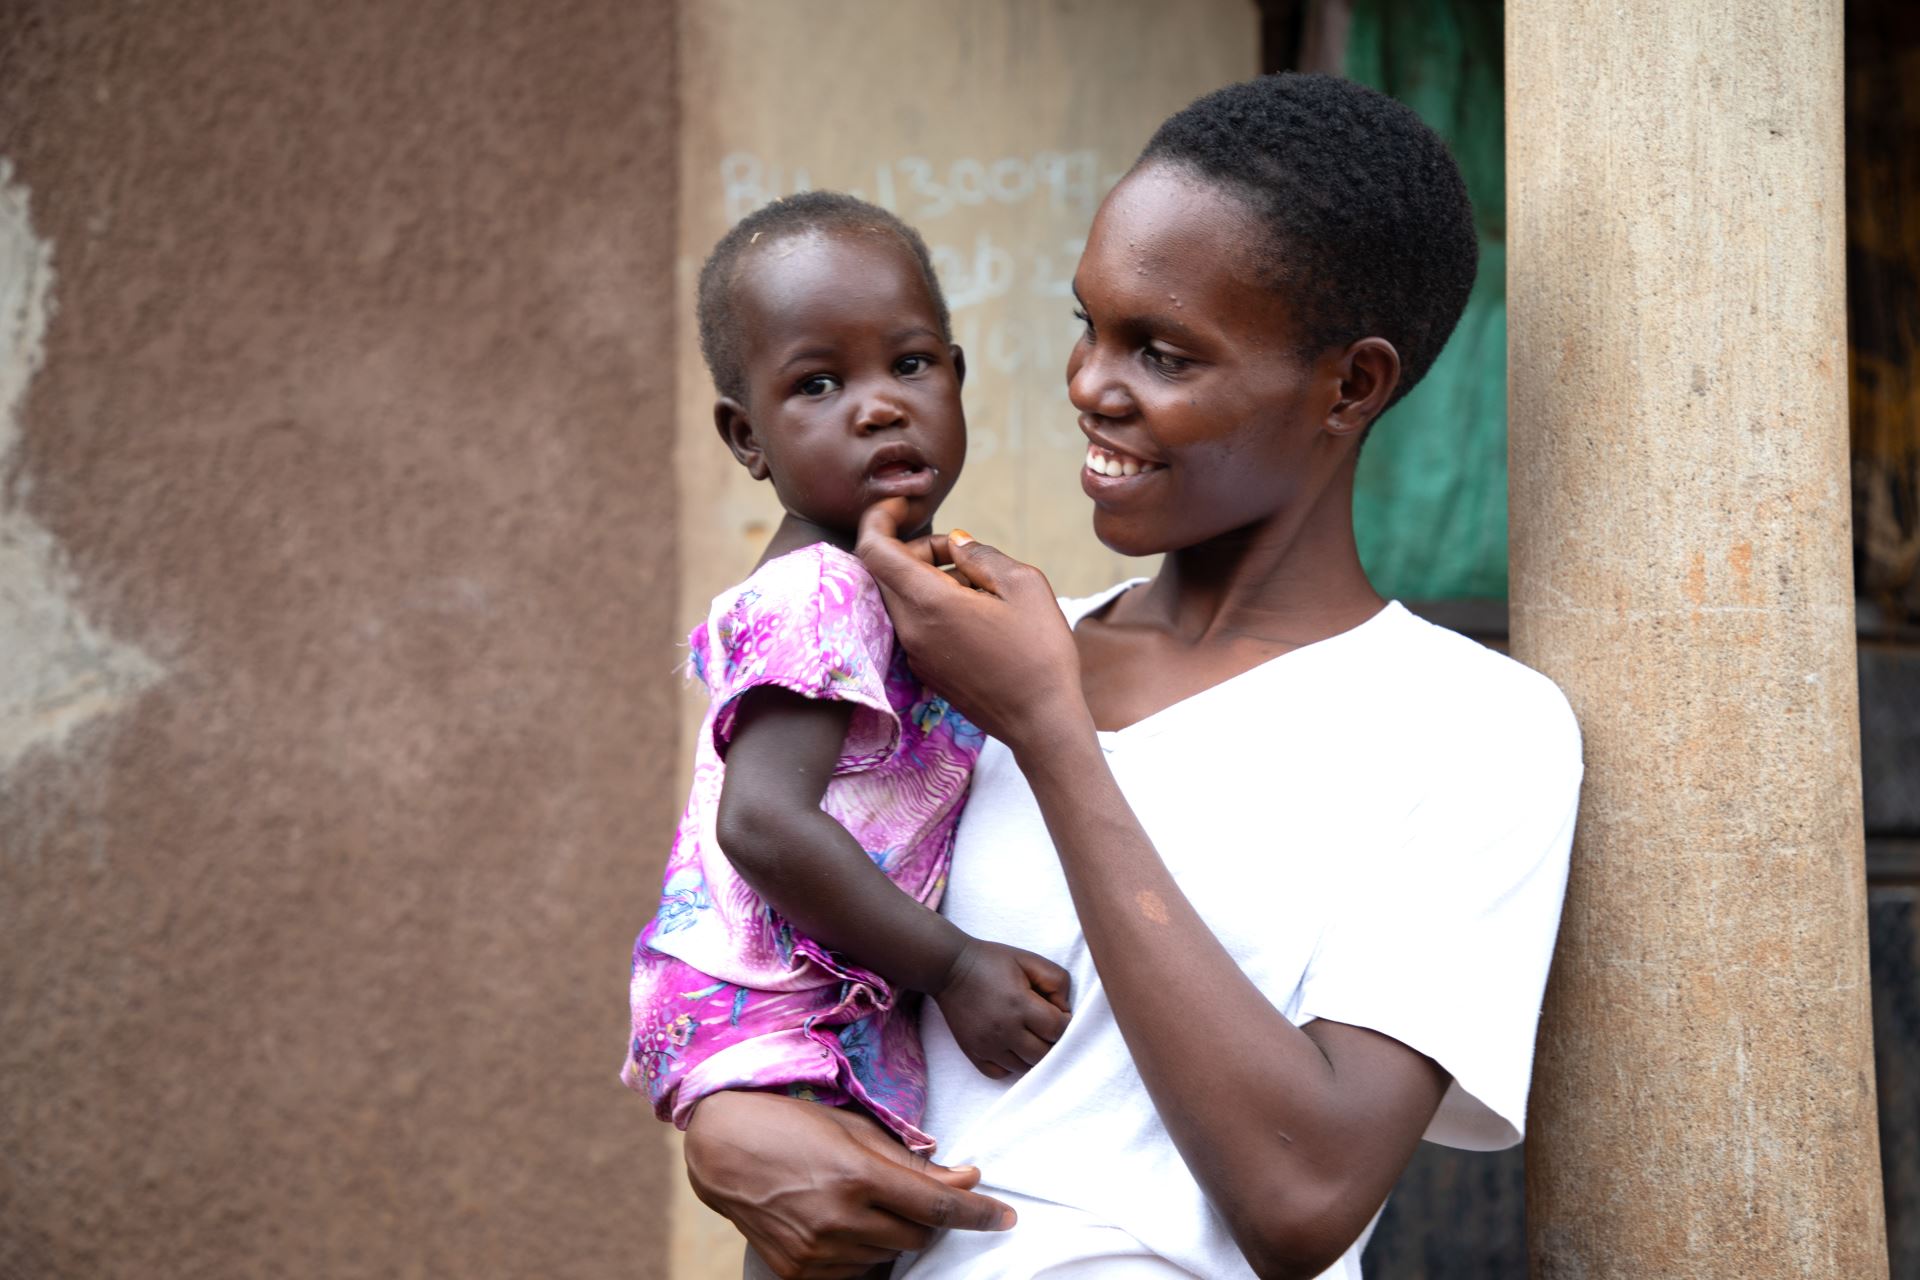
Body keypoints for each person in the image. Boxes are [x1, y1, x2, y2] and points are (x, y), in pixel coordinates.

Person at [678, 74, 1584, 1280]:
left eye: (1160, 352)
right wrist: (720, 1122)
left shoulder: (1473, 728)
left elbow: (1302, 1195)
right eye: (1087, 323)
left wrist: (1052, 728)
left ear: (1351, 385)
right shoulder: (944, 658)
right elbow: (752, 940)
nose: (1090, 386)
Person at [623, 192, 1073, 1165]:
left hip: (809, 985)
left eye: (910, 364)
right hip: (775, 996)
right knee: (840, 1230)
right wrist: (951, 965)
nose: (877, 405)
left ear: (957, 379)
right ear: (748, 437)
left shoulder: (888, 580)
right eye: (818, 383)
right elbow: (762, 820)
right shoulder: (817, 590)